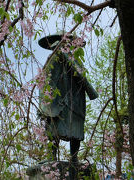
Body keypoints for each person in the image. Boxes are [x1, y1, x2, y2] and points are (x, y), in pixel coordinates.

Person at [38, 32, 98, 179]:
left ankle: (74, 158)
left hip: (73, 102)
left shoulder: (74, 61)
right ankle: (51, 156)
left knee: (75, 132)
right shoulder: (52, 61)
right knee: (52, 129)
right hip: (56, 101)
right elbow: (46, 82)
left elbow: (82, 78)